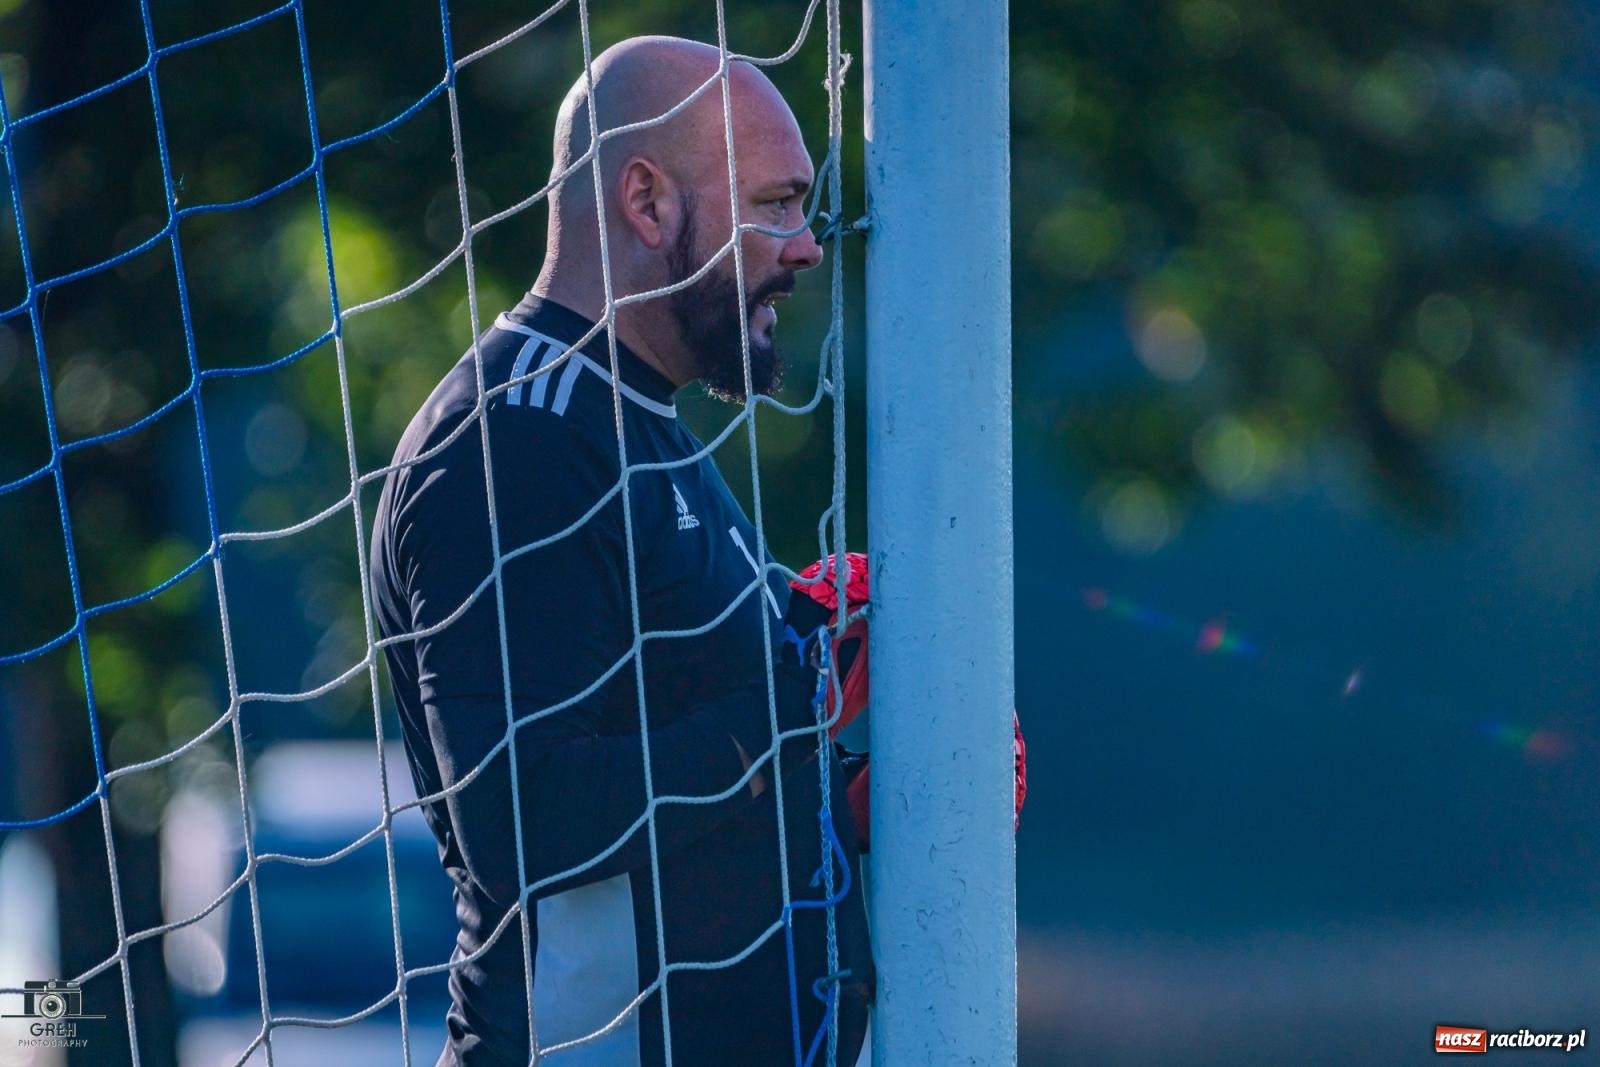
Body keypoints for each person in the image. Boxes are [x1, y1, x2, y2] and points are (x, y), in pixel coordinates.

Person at [369, 35, 873, 1067]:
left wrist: (869, 763)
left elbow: (702, 761)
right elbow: (525, 817)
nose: (806, 244)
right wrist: (797, 706)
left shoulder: (637, 423)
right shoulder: (517, 440)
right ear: (647, 204)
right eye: (774, 203)